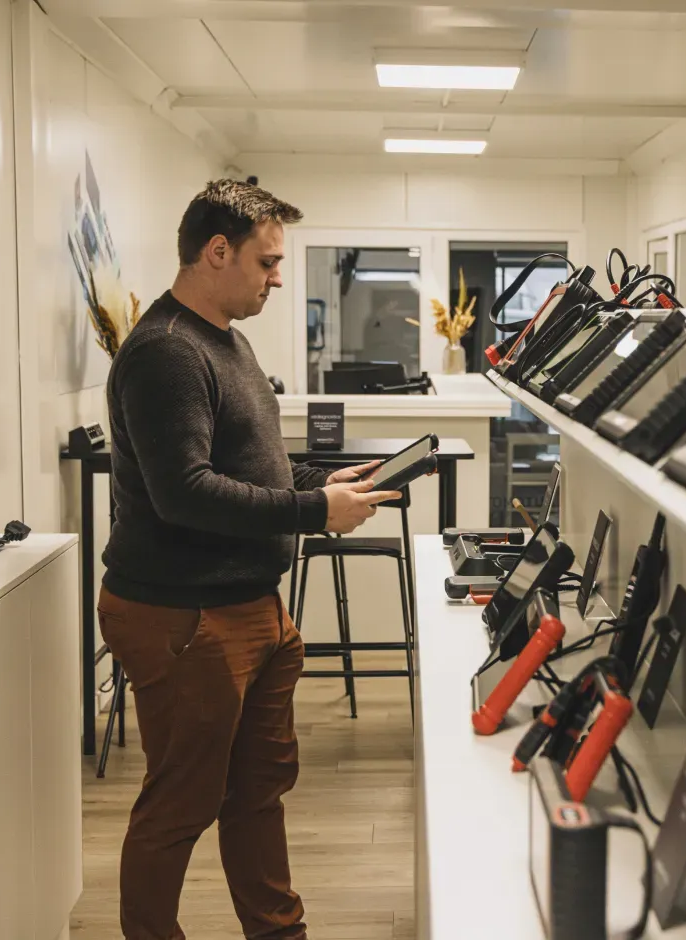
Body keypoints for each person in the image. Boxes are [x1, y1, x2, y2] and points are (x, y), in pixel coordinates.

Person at [98, 179, 398, 940]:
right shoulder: (166, 351)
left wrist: (313, 483)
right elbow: (185, 494)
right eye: (267, 262)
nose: (277, 277)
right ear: (216, 250)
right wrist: (311, 511)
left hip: (250, 607)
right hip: (184, 615)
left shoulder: (225, 339)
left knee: (258, 791)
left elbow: (247, 464)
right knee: (180, 805)